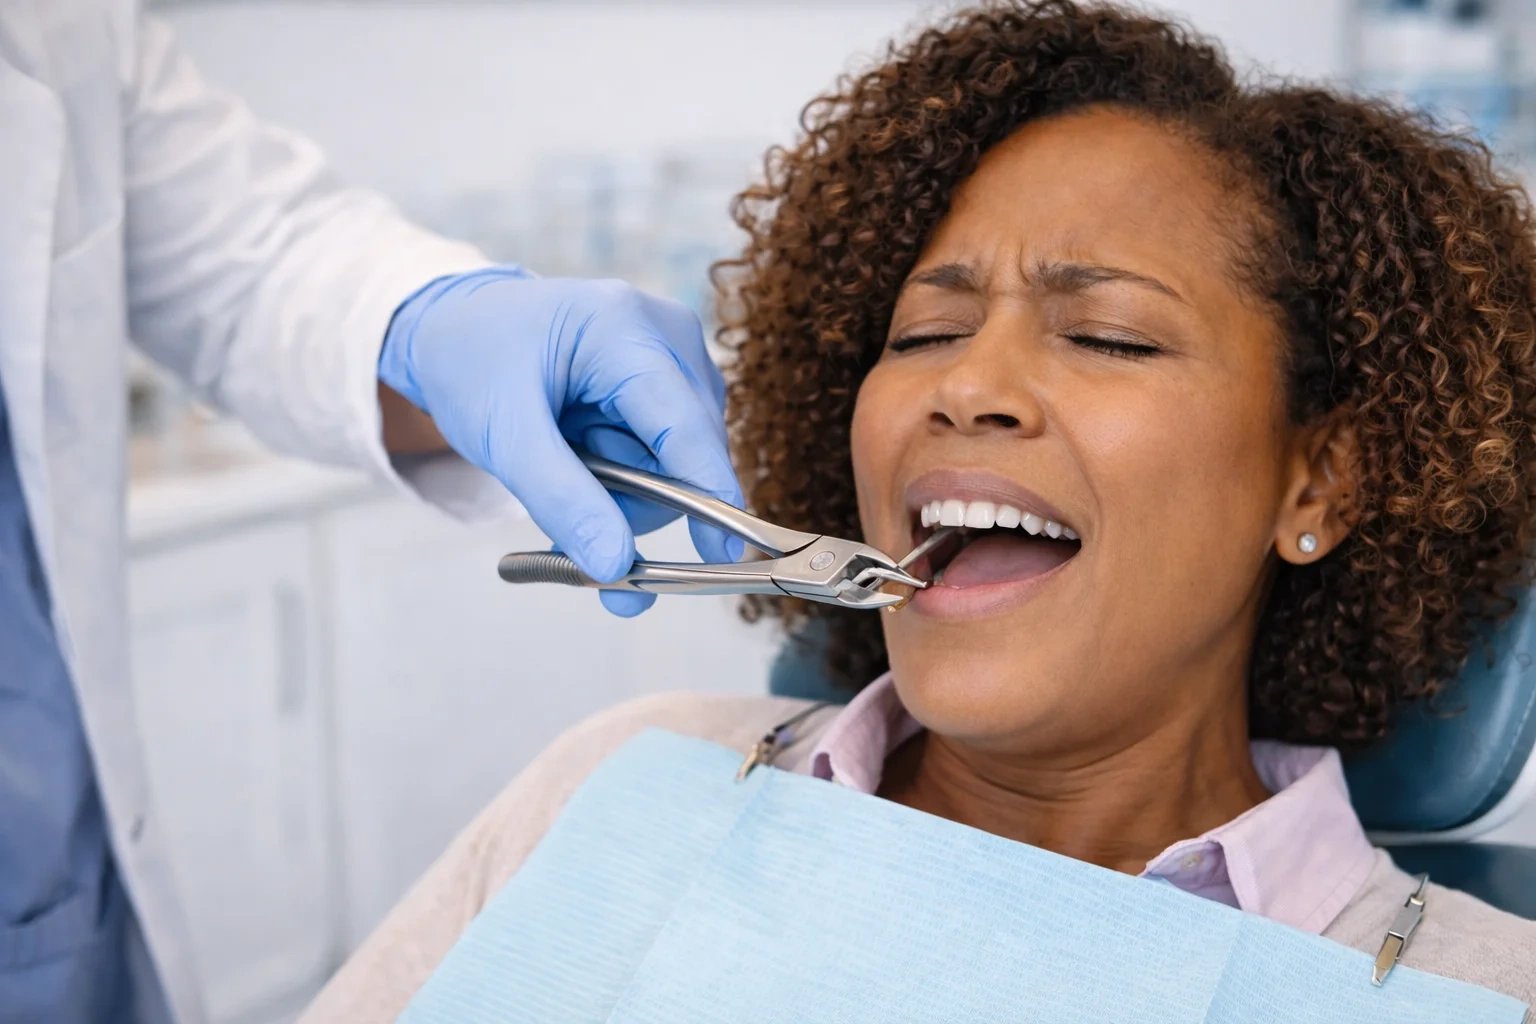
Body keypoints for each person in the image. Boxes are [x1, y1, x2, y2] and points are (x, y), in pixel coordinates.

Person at [295, 1, 1536, 1018]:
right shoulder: (633, 772)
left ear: (1315, 479)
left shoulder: (1478, 988)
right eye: (926, 331)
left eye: (1104, 335)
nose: (967, 384)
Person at [0, 6, 745, 1024]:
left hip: (52, 908)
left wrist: (436, 320)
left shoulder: (54, 28)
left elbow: (258, 262)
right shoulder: (625, 764)